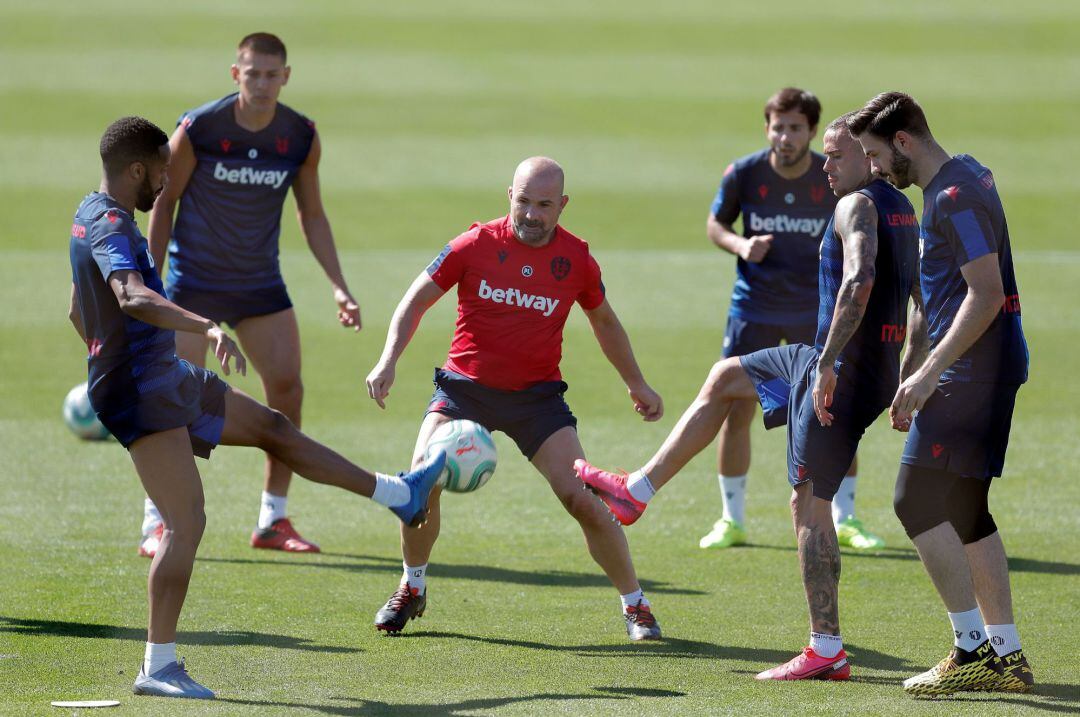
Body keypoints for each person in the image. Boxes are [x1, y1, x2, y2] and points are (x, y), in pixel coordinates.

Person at [69, 116, 445, 700]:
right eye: (163, 172)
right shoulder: (113, 222)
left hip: (160, 376)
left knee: (273, 426)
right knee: (186, 521)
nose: (168, 183)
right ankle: (158, 666)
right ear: (137, 168)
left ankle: (401, 495)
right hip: (143, 388)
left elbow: (78, 309)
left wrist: (104, 351)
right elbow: (129, 295)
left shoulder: (91, 216)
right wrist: (203, 327)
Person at [576, 114, 920, 680]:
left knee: (808, 505)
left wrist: (831, 364)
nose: (826, 168)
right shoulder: (903, 207)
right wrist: (906, 372)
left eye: (835, 157)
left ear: (864, 155)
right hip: (857, 363)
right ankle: (637, 490)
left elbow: (858, 282)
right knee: (725, 378)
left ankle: (826, 648)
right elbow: (919, 298)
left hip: (839, 369)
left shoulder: (855, 206)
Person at [364, 157, 666, 641]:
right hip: (465, 391)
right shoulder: (474, 244)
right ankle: (411, 586)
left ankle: (637, 606)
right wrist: (387, 360)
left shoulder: (577, 259)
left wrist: (636, 382)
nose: (531, 213)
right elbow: (416, 298)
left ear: (562, 206)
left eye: (544, 205)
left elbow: (604, 321)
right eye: (523, 201)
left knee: (584, 499)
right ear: (510, 195)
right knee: (421, 480)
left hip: (536, 401)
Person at [140, 32, 361, 556]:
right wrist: (150, 282)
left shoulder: (301, 136)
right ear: (235, 74)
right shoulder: (200, 129)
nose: (262, 83)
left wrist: (339, 287)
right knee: (172, 402)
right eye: (252, 73)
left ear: (286, 77)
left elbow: (312, 215)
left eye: (272, 74)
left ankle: (273, 520)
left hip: (260, 286)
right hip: (192, 285)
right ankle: (156, 520)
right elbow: (162, 203)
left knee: (287, 390)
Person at [849, 92, 1034, 696]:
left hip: (972, 374)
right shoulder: (964, 176)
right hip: (984, 367)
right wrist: (916, 361)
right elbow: (944, 289)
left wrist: (930, 372)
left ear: (904, 142)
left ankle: (971, 649)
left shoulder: (951, 198)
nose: (875, 169)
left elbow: (983, 293)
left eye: (877, 155)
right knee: (968, 510)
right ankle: (1005, 656)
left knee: (915, 501)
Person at [704, 88, 883, 551]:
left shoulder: (830, 176)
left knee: (832, 410)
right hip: (755, 308)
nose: (785, 136)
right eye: (777, 126)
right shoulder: (744, 174)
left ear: (810, 132)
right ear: (767, 128)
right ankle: (732, 519)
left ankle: (846, 517)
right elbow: (715, 225)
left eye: (795, 127)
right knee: (736, 409)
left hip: (814, 311)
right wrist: (741, 246)